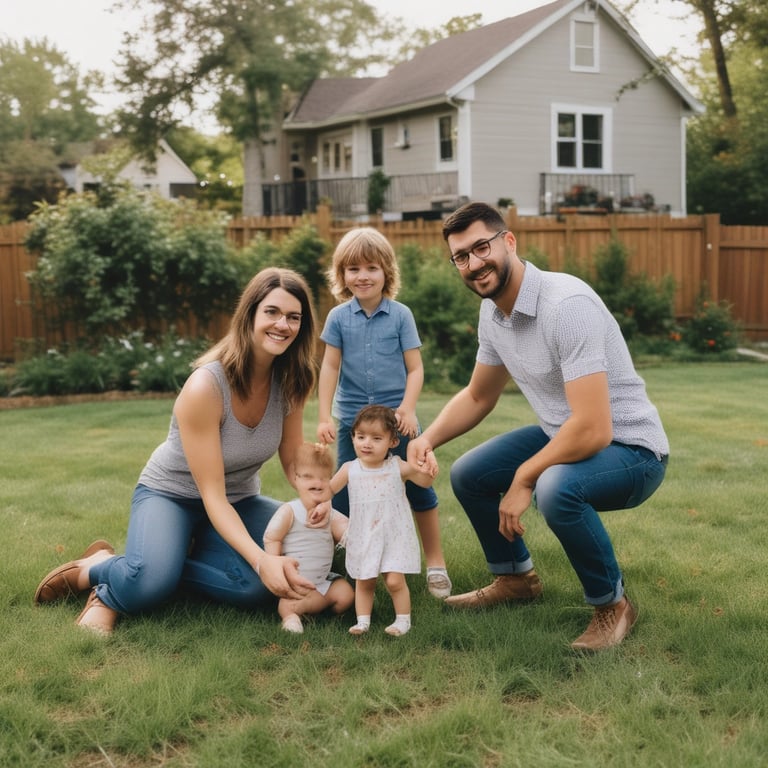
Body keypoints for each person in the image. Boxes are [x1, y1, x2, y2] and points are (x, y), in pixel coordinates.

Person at [408, 202, 669, 651]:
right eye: (461, 257)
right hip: (565, 435)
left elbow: (593, 428)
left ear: (509, 242)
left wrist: (526, 476)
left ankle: (614, 605)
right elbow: (478, 395)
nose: (474, 263)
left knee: (555, 489)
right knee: (470, 474)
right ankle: (515, 580)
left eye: (481, 247)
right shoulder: (494, 313)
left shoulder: (566, 306)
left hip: (633, 451)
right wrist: (426, 439)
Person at [34, 267, 326, 635]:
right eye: (272, 312)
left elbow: (293, 456)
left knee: (257, 588)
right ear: (250, 314)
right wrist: (261, 559)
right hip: (173, 495)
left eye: (293, 317)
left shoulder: (292, 380)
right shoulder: (206, 386)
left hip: (238, 500)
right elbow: (211, 495)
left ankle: (168, 560)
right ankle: (104, 572)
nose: (282, 324)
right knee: (153, 583)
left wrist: (317, 498)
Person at [316, 226, 451, 599]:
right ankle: (347, 565)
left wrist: (407, 409)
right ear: (342, 275)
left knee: (419, 486)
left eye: (371, 268)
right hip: (353, 423)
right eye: (353, 269)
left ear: (386, 272)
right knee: (345, 494)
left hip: (398, 420)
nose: (362, 276)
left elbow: (415, 369)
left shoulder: (401, 315)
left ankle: (436, 563)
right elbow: (329, 368)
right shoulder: (339, 318)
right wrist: (325, 416)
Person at [330, 405, 435, 636]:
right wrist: (316, 503)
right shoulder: (350, 469)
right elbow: (328, 492)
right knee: (364, 580)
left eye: (376, 438)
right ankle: (362, 621)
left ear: (392, 442)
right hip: (363, 534)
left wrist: (427, 467)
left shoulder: (396, 466)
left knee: (395, 581)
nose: (367, 443)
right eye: (361, 437)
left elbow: (424, 482)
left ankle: (402, 620)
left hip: (393, 534)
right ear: (353, 438)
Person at [263, 442, 354, 633]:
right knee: (287, 605)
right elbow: (272, 537)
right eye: (308, 477)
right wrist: (276, 565)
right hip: (296, 583)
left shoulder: (330, 513)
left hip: (323, 582)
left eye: (323, 478)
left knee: (346, 594)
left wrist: (349, 535)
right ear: (296, 479)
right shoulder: (290, 511)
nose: (316, 483)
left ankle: (323, 611)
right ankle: (292, 619)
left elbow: (346, 530)